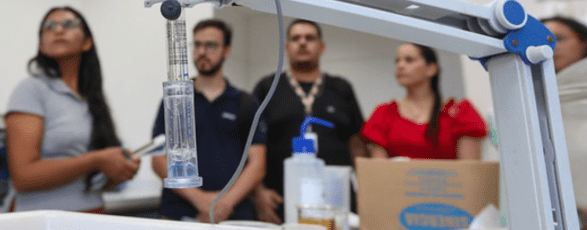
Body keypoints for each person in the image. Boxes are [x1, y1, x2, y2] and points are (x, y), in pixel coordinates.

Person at [4, 6, 140, 213]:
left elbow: (93, 179)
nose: (58, 30)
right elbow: (23, 177)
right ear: (41, 45)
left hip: (92, 214)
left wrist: (119, 169)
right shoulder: (31, 90)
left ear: (86, 42)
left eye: (68, 24)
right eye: (49, 27)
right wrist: (97, 160)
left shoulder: (93, 101)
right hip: (42, 220)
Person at [151, 19, 267, 223]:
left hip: (233, 216)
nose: (202, 51)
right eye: (197, 44)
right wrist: (200, 199)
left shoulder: (246, 103)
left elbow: (257, 164)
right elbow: (158, 158)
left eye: (211, 45)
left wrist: (224, 203)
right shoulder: (175, 100)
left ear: (227, 51)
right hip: (179, 214)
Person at [251, 19, 366, 224]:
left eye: (310, 38)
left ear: (322, 47)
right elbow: (250, 146)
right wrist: (258, 193)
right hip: (281, 201)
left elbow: (357, 143)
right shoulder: (267, 87)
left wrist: (366, 190)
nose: (302, 43)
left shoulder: (341, 88)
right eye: (296, 38)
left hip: (336, 201)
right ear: (287, 48)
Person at [361, 43, 486, 159]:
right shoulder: (384, 114)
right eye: (397, 61)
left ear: (431, 69)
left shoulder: (460, 113)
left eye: (409, 60)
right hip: (395, 183)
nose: (400, 65)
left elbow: (470, 173)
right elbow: (378, 173)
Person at [541, 15, 587, 229]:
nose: (551, 46)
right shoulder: (526, 94)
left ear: (583, 41)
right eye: (543, 39)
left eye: (559, 38)